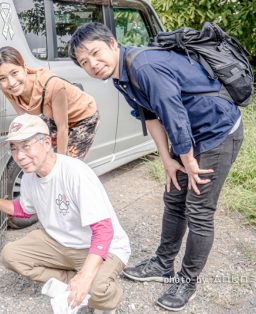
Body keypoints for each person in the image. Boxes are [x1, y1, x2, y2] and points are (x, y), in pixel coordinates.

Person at [68, 22, 244, 311]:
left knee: (199, 209)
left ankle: (188, 280)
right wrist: (168, 161)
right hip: (191, 135)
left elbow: (173, 114)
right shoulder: (120, 76)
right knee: (174, 198)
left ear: (113, 43)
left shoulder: (143, 66)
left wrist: (186, 160)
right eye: (85, 62)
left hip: (217, 132)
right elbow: (151, 115)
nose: (93, 64)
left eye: (96, 54)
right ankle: (163, 264)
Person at [0, 114, 131, 313]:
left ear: (46, 143)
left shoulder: (75, 173)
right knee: (11, 255)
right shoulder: (30, 176)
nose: (19, 156)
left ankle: (105, 294)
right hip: (60, 242)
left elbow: (104, 230)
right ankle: (75, 281)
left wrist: (86, 276)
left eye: (26, 146)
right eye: (14, 148)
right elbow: (23, 210)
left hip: (100, 246)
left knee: (96, 291)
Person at [0, 46, 99, 159]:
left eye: (14, 73)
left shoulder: (53, 85)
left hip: (83, 116)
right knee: (43, 154)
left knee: (67, 163)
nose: (11, 83)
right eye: (2, 78)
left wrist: (61, 163)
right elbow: (26, 119)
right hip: (54, 116)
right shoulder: (8, 89)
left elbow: (62, 128)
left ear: (24, 68)